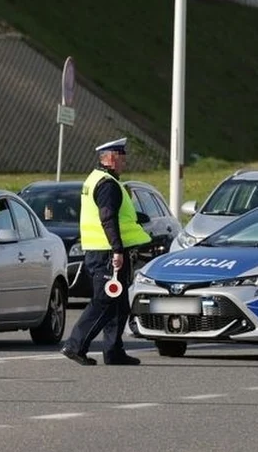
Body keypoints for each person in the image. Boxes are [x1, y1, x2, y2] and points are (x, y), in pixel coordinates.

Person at [60, 137, 152, 366]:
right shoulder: (107, 185)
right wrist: (117, 250)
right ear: (110, 158)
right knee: (104, 300)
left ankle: (113, 351)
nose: (124, 162)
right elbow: (107, 217)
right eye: (122, 157)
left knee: (119, 304)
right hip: (107, 254)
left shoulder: (96, 179)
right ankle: (75, 345)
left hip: (100, 251)